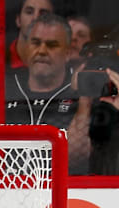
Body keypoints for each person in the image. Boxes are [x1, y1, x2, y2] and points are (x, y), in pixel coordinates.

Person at [5, 13, 91, 175]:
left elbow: (76, 157)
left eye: (51, 45)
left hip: (65, 192)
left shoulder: (78, 91)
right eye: (35, 43)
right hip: (3, 189)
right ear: (26, 48)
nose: (42, 51)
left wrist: (84, 102)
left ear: (67, 54)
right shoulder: (3, 86)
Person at [7, 0, 54, 69]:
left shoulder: (57, 64)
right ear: (18, 20)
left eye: (43, 14)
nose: (35, 18)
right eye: (29, 12)